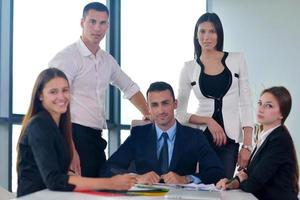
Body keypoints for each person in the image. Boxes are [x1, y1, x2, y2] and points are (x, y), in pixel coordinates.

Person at [48, 2, 150, 177]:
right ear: (82, 23)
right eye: (92, 21)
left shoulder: (107, 60)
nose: (97, 28)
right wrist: (69, 148)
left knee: (99, 188)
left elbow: (129, 87)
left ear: (108, 26)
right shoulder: (67, 58)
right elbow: (54, 105)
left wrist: (150, 113)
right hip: (71, 132)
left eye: (102, 23)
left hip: (95, 137)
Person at [16, 68, 136, 197]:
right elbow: (54, 179)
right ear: (40, 95)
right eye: (53, 92)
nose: (61, 97)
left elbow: (58, 173)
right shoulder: (38, 125)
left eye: (65, 90)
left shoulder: (59, 125)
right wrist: (110, 183)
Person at [176, 12, 253, 178]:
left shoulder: (237, 60)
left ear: (219, 34)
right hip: (200, 140)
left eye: (212, 31)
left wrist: (247, 146)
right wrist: (208, 120)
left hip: (229, 141)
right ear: (196, 36)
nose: (207, 37)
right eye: (202, 32)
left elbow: (246, 104)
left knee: (221, 187)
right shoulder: (189, 68)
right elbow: (180, 115)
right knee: (199, 188)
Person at [100, 81, 225, 185]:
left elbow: (217, 172)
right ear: (148, 108)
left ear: (175, 104)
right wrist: (137, 178)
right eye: (154, 105)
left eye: (165, 103)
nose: (161, 110)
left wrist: (186, 179)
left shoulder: (195, 136)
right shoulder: (138, 135)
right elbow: (109, 168)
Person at [217, 86, 299, 200]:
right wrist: (231, 182)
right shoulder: (265, 136)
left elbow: (253, 183)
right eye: (260, 103)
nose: (260, 109)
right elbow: (250, 173)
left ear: (281, 114)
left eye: (268, 106)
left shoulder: (280, 140)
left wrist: (241, 180)